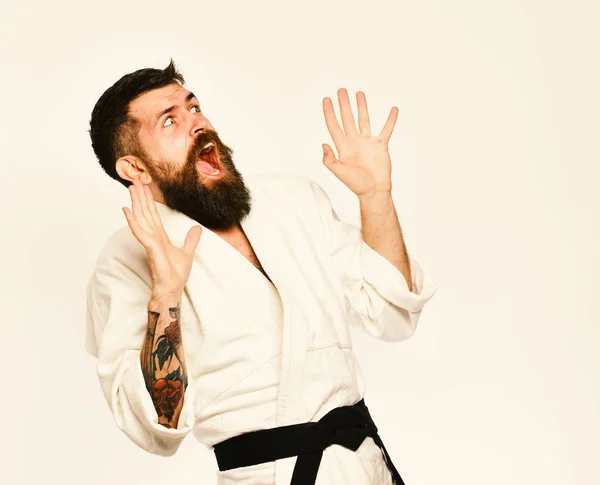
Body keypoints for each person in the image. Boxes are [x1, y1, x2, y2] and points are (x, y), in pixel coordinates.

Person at [85, 59, 437, 485]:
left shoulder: (292, 200)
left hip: (366, 466)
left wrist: (376, 196)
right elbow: (156, 428)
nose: (196, 123)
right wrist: (167, 292)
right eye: (169, 120)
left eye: (193, 107)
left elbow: (392, 312)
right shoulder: (124, 260)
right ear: (135, 169)